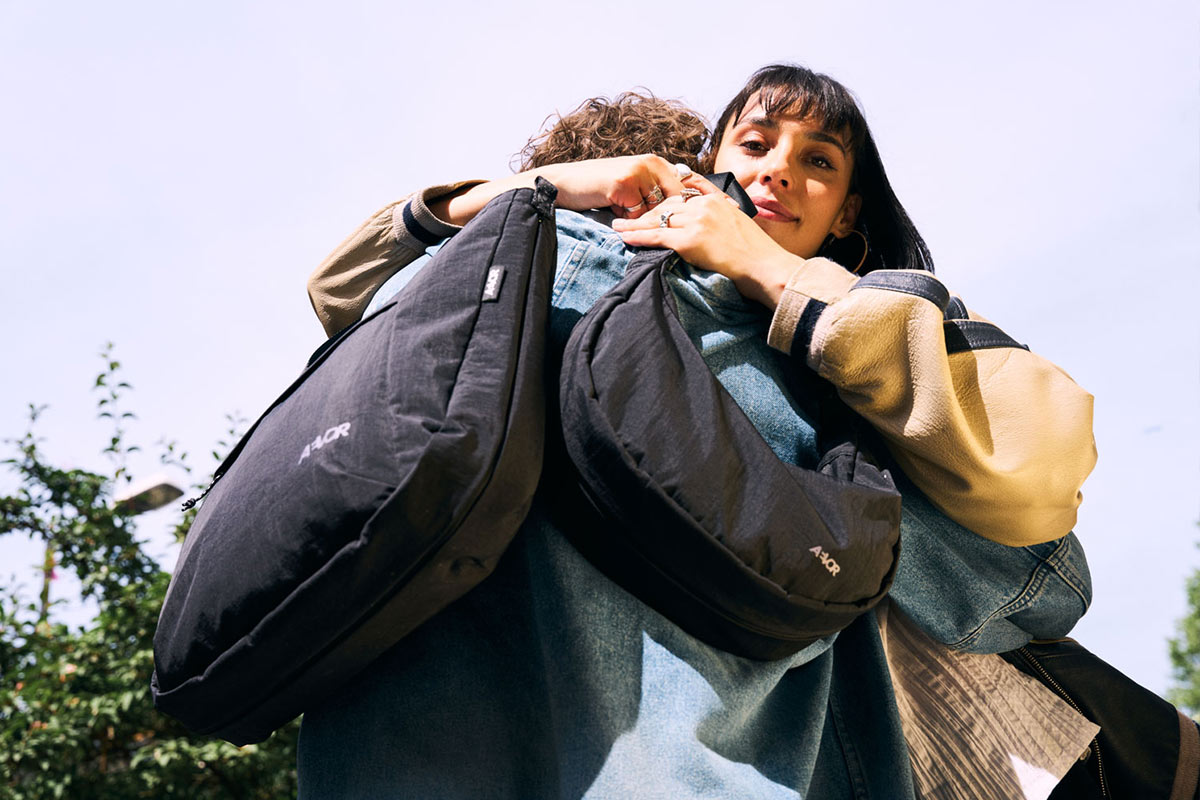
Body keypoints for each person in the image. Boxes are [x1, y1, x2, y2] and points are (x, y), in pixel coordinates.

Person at [298, 67, 1099, 798]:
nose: (778, 169)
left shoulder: (475, 293)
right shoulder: (823, 369)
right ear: (703, 165)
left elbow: (338, 293)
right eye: (753, 145)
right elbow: (1039, 584)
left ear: (849, 212)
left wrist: (515, 197)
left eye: (819, 160)